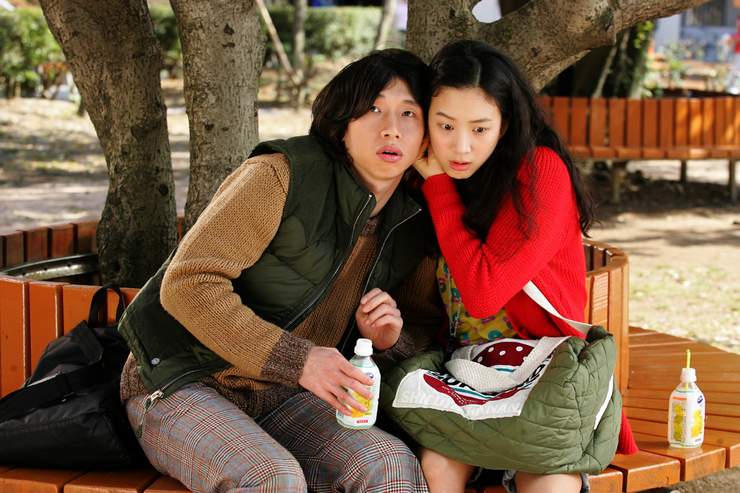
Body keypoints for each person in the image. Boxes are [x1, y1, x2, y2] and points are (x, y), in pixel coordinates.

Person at [118, 49, 442, 493]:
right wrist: (300, 360)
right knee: (271, 478)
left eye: (409, 113)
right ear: (340, 125)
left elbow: (420, 328)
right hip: (185, 379)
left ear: (426, 138)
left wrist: (388, 342)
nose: (391, 128)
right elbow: (189, 284)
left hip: (288, 397)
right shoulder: (280, 175)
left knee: (389, 464)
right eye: (373, 109)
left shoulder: (415, 221)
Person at [411, 40, 636, 493]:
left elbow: (483, 292)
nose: (460, 146)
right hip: (465, 376)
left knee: (548, 485)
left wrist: (438, 186)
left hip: (544, 379)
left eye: (480, 128)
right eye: (445, 125)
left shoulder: (540, 172)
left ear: (506, 124)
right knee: (435, 469)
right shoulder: (425, 177)